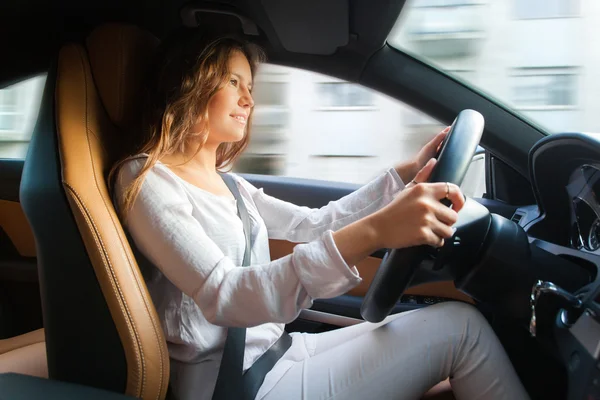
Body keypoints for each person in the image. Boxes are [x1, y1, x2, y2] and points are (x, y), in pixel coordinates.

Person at [110, 30, 530, 400]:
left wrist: (403, 178)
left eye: (250, 86)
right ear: (190, 82)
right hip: (233, 386)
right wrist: (377, 230)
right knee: (462, 331)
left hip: (277, 353)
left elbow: (313, 224)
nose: (248, 99)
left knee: (453, 328)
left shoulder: (230, 184)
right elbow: (226, 294)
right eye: (233, 81)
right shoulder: (146, 178)